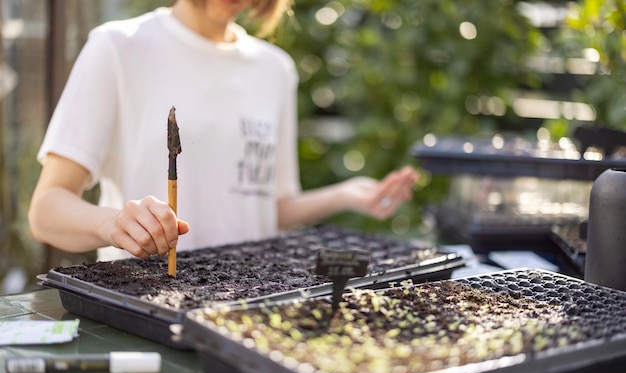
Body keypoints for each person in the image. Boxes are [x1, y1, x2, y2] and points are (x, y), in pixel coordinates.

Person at [28, 0, 419, 262]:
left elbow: (268, 208)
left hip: (251, 306)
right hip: (144, 305)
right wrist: (111, 224)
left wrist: (346, 194)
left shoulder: (274, 69)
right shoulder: (118, 47)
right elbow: (47, 210)